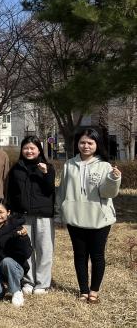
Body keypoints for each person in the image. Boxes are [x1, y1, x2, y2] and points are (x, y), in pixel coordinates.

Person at [57, 128, 121, 304]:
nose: (86, 146)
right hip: (74, 217)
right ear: (77, 144)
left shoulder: (104, 165)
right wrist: (59, 213)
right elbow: (62, 191)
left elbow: (108, 193)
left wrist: (113, 179)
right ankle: (83, 290)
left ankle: (94, 291)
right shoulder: (69, 164)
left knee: (97, 255)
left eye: (90, 143)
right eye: (82, 142)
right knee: (80, 255)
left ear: (96, 144)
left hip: (99, 219)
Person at [6, 136, 56, 295]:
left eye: (32, 148)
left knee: (44, 249)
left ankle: (42, 284)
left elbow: (50, 190)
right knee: (26, 249)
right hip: (22, 215)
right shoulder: (16, 168)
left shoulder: (48, 167)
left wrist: (46, 173)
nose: (29, 151)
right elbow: (11, 192)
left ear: (39, 150)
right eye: (26, 148)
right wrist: (11, 212)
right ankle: (28, 281)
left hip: (43, 215)